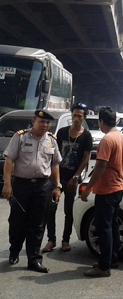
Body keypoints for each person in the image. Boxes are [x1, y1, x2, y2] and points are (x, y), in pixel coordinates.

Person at [2, 110, 62, 273]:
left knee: (38, 224)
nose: (44, 125)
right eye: (41, 122)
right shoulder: (20, 137)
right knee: (17, 222)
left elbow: (55, 164)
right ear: (33, 122)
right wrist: (7, 184)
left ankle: (34, 260)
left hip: (42, 186)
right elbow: (9, 160)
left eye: (47, 123)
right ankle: (14, 251)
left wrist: (57, 186)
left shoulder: (51, 140)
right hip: (21, 185)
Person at [80, 106, 123, 277]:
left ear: (101, 121)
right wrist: (120, 179)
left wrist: (88, 189)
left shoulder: (107, 140)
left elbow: (100, 166)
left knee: (104, 228)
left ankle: (104, 266)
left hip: (107, 189)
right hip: (118, 188)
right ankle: (112, 259)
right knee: (113, 225)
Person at [43, 102, 92, 252]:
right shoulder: (63, 132)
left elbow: (86, 159)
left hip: (72, 179)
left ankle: (65, 240)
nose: (76, 118)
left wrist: (76, 177)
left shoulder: (86, 136)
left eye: (79, 116)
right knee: (51, 208)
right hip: (57, 178)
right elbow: (54, 155)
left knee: (68, 210)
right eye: (74, 115)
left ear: (83, 118)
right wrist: (53, 177)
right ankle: (51, 240)